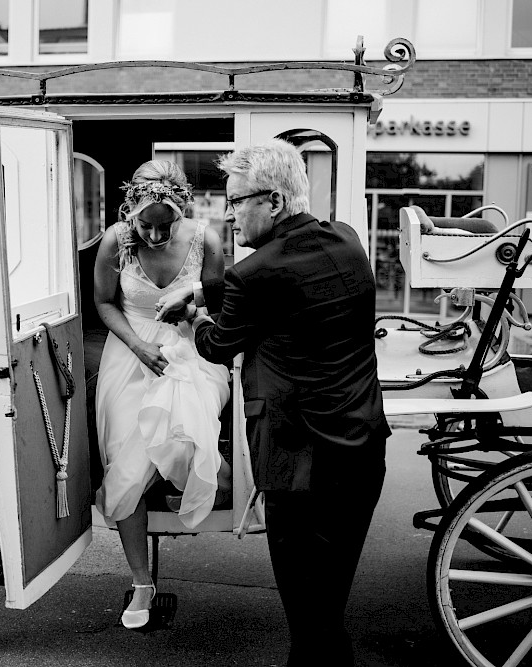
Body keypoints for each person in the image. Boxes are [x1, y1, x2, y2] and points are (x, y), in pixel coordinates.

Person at [160, 139, 390, 666]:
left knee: (307, 612)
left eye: (238, 200)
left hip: (297, 467)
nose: (229, 212)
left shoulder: (253, 273)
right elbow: (287, 294)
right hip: (360, 451)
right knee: (328, 602)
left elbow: (218, 346)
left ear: (275, 202)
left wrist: (195, 316)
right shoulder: (348, 241)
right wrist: (203, 290)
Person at [93, 160, 232, 630]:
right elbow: (104, 302)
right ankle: (141, 582)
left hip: (191, 347)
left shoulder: (207, 239)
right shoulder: (115, 239)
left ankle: (218, 476)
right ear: (131, 214)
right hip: (129, 352)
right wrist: (138, 345)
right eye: (145, 226)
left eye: (165, 225)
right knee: (127, 462)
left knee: (186, 422)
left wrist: (192, 309)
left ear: (181, 211)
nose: (154, 236)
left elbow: (222, 298)